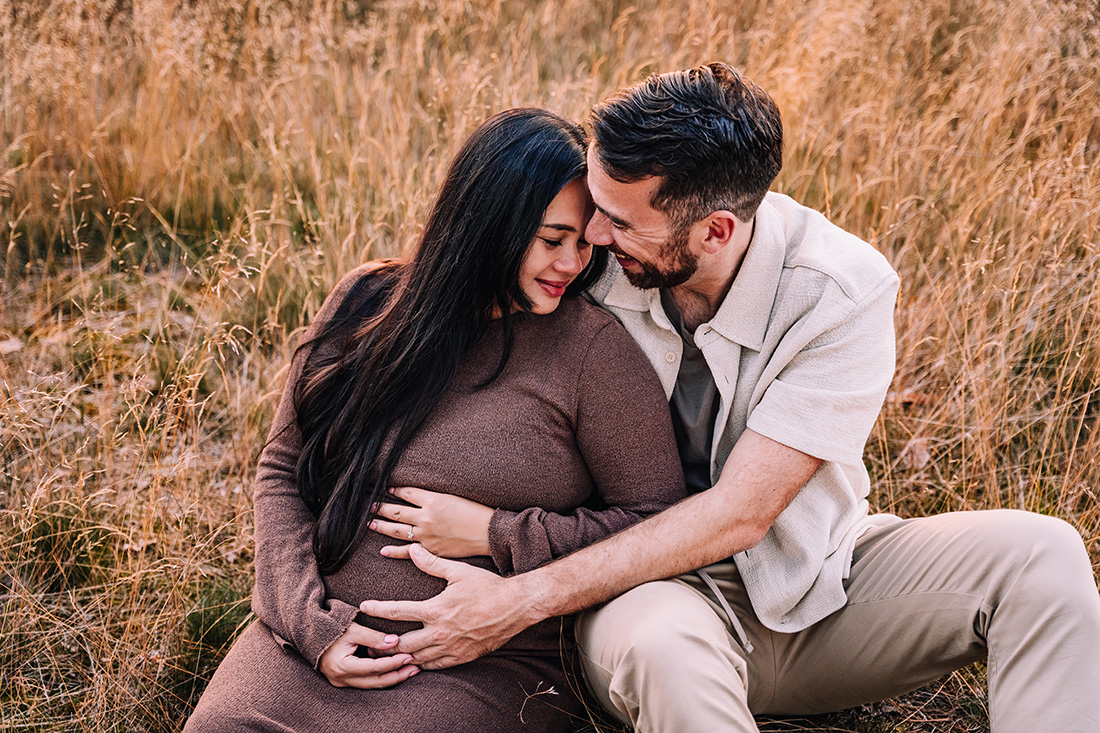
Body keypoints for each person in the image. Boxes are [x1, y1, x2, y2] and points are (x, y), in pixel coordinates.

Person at [357, 64, 1100, 732]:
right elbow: (467, 288)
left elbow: (743, 513)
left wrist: (517, 600)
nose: (592, 234)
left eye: (620, 221)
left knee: (1042, 554)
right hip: (639, 599)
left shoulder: (839, 290)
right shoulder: (589, 262)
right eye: (595, 206)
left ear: (715, 230)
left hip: (816, 589)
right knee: (667, 652)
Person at [184, 108, 687, 732]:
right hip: (308, 641)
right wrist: (311, 625)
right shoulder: (368, 301)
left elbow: (657, 523)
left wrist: (501, 533)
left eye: (584, 243)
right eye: (551, 240)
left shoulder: (593, 353)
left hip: (484, 660)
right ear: (488, 226)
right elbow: (283, 468)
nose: (572, 264)